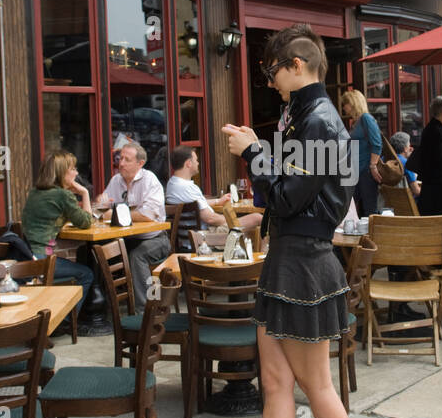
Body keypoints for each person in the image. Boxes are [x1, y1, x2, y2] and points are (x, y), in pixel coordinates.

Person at [207, 23, 367, 418]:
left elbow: (286, 197)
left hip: (302, 264)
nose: (271, 83)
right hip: (296, 259)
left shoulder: (318, 121)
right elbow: (295, 197)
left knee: (315, 387)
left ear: (296, 66)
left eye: (273, 73)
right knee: (278, 386)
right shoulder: (313, 118)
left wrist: (253, 150)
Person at [20, 149, 98, 334]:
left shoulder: (35, 192)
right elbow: (86, 222)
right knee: (86, 274)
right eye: (73, 168)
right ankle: (62, 322)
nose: (77, 173)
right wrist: (85, 193)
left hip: (25, 255)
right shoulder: (62, 196)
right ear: (63, 172)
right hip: (42, 260)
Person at [92, 142, 171, 309]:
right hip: (127, 239)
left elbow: (148, 215)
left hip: (155, 238)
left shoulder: (149, 180)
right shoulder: (116, 180)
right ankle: (102, 308)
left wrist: (113, 214)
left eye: (127, 160)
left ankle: (145, 310)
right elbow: (102, 207)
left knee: (137, 256)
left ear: (140, 163)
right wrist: (100, 202)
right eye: (120, 159)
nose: (121, 163)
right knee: (97, 252)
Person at [165, 147, 262, 238]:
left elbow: (194, 204)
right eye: (196, 160)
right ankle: (264, 255)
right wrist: (231, 219)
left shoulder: (172, 184)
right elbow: (210, 218)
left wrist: (217, 201)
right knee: (258, 218)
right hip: (206, 236)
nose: (198, 163)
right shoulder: (187, 187)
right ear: (189, 163)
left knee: (250, 230)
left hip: (188, 237)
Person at [410, 95, 442, 217]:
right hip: (436, 187)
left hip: (433, 184)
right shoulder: (436, 130)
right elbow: (439, 160)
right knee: (437, 218)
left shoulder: (434, 128)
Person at [338, 89, 382, 218]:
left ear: (352, 103)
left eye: (345, 104)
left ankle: (374, 237)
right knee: (353, 207)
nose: (344, 108)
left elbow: (377, 143)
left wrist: (373, 166)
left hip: (366, 172)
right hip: (356, 172)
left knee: (370, 210)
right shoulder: (356, 122)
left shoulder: (366, 119)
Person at [389, 131, 420, 197]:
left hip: (388, 201)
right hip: (407, 204)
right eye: (409, 145)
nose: (411, 148)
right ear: (405, 149)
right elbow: (416, 191)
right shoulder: (406, 164)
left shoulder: (384, 159)